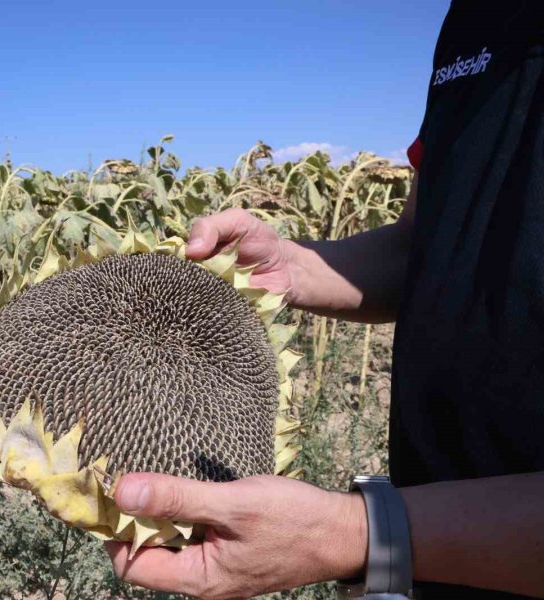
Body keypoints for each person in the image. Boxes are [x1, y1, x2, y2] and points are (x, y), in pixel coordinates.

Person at [104, 2, 544, 598]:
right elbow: (426, 245)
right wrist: (293, 265)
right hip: (435, 546)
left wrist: (359, 536)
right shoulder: (471, 18)